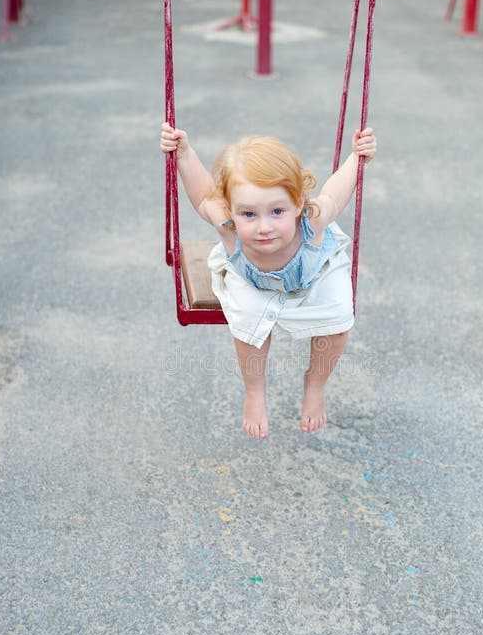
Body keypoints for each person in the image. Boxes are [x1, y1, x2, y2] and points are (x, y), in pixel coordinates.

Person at [160, 122, 377, 439]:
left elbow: (334, 194)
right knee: (247, 323)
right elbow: (203, 197)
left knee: (338, 317)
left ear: (298, 204)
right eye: (249, 214)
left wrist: (357, 158)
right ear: (231, 210)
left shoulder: (312, 220)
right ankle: (254, 390)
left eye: (277, 211)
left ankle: (315, 384)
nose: (264, 227)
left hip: (313, 274)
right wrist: (183, 154)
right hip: (253, 281)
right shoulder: (227, 225)